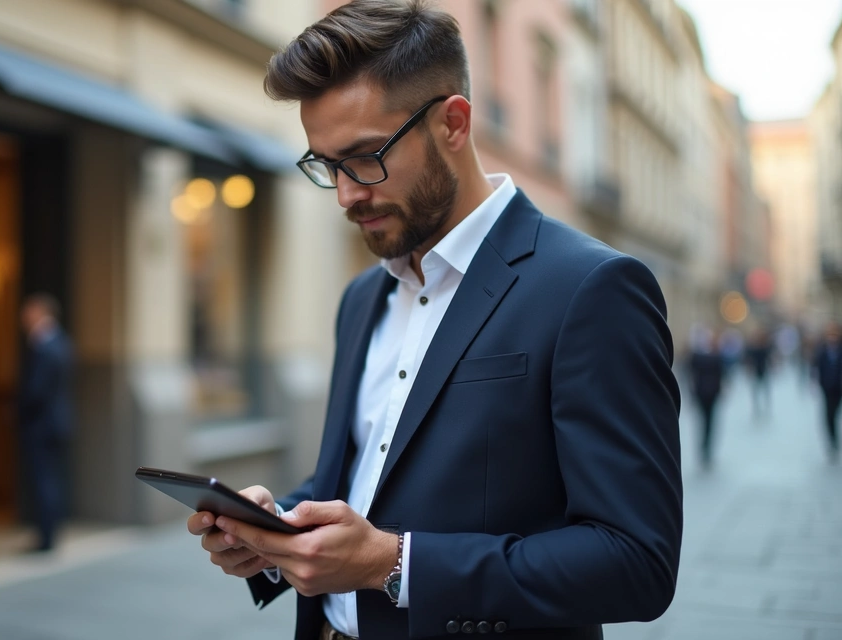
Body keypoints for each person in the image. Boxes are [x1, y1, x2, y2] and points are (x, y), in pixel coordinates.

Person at [186, 2, 683, 638]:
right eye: (326, 165)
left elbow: (636, 562)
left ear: (453, 122)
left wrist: (395, 564)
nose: (345, 194)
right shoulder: (361, 298)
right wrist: (277, 533)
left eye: (366, 157)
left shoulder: (592, 289)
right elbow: (363, 483)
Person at [17, 294, 74, 552]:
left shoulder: (44, 345)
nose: (23, 318)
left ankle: (46, 537)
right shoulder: (62, 342)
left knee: (44, 481)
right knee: (51, 480)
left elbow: (36, 390)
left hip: (42, 425)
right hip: (57, 422)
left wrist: (18, 410)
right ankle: (49, 532)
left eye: (28, 312)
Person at [689, 331, 726, 469]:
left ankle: (704, 447)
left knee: (704, 421)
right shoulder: (715, 356)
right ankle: (706, 448)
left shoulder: (698, 356)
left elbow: (692, 375)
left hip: (703, 392)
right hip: (710, 392)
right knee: (709, 421)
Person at [813, 322, 842, 464]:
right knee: (829, 416)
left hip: (839, 388)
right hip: (828, 388)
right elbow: (817, 367)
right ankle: (833, 441)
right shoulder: (822, 350)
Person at [744, 327, 773, 419]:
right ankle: (756, 408)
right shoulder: (752, 347)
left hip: (764, 370)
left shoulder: (765, 346)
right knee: (756, 390)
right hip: (756, 370)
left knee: (764, 389)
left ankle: (765, 406)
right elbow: (749, 359)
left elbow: (770, 357)